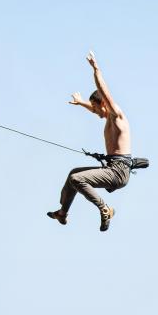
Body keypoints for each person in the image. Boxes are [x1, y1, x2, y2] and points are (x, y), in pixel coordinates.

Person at [47, 51, 132, 232]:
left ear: (104, 104)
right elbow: (97, 111)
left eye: (95, 107)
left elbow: (104, 92)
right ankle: (62, 213)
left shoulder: (117, 115)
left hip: (119, 171)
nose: (95, 112)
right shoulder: (108, 117)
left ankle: (104, 209)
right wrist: (82, 103)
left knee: (77, 179)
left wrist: (96, 69)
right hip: (112, 168)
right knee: (73, 174)